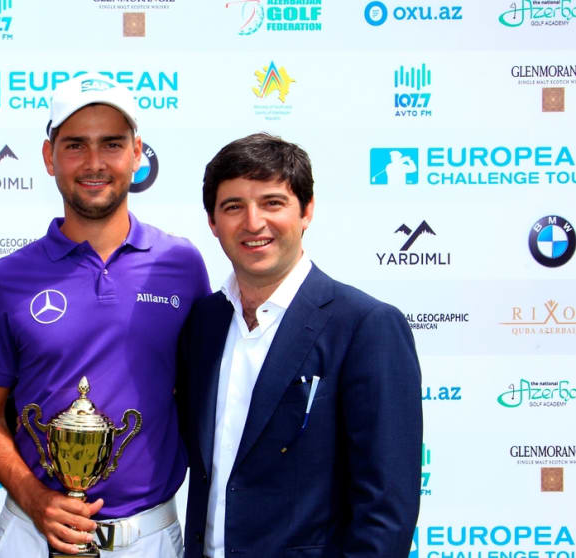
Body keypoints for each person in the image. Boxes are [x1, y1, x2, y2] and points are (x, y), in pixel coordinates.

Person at [0, 75, 210, 557]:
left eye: (112, 144)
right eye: (76, 145)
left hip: (150, 538)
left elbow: (201, 397)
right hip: (32, 535)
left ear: (138, 153)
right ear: (48, 155)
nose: (95, 163)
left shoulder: (181, 265)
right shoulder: (7, 278)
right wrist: (35, 496)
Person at [179, 133, 423, 558]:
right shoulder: (203, 322)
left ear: (307, 211)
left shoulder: (367, 326)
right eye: (233, 206)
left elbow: (386, 511)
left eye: (272, 203)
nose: (253, 222)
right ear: (212, 222)